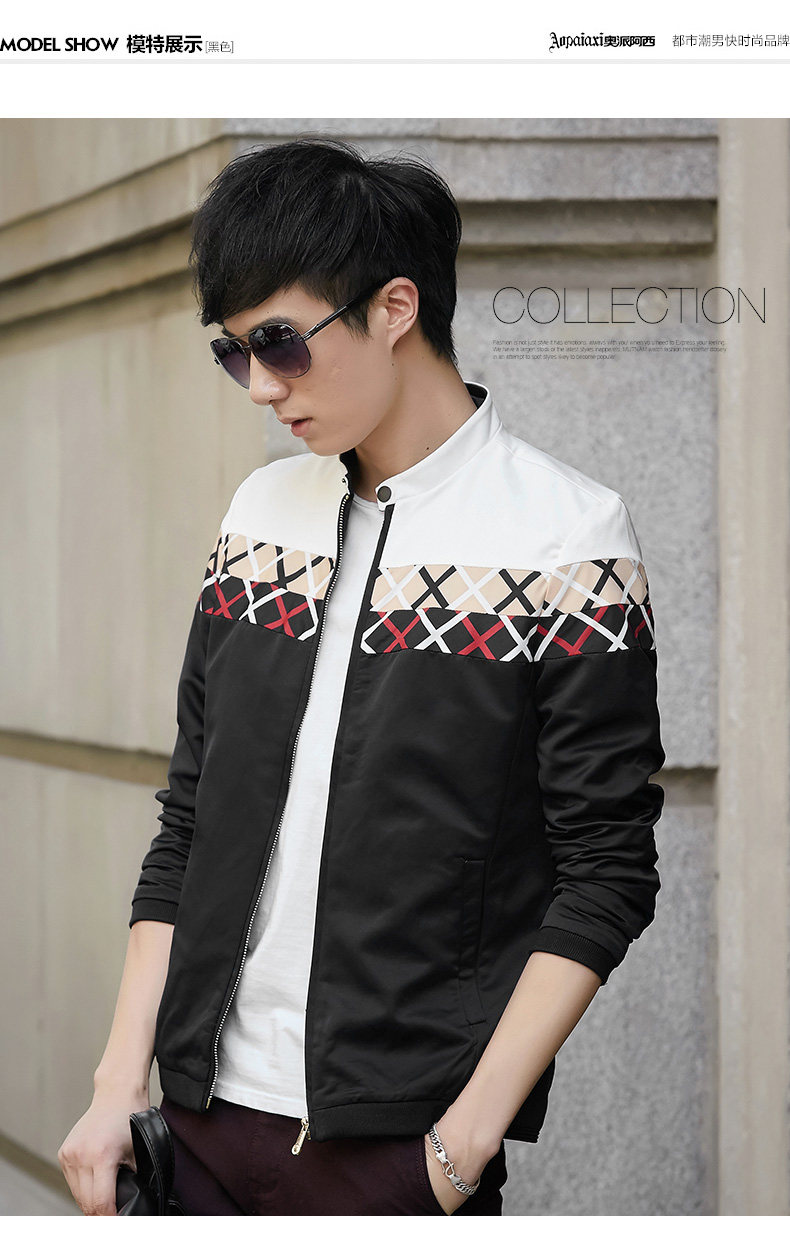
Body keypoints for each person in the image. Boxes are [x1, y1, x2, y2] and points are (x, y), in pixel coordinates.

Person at [57, 135, 666, 1216]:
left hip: (393, 1156)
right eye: (234, 351)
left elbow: (606, 870)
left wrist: (457, 1148)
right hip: (195, 1129)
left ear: (394, 307)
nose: (260, 385)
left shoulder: (567, 541)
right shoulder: (261, 518)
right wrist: (117, 1086)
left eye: (281, 342)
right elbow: (190, 818)